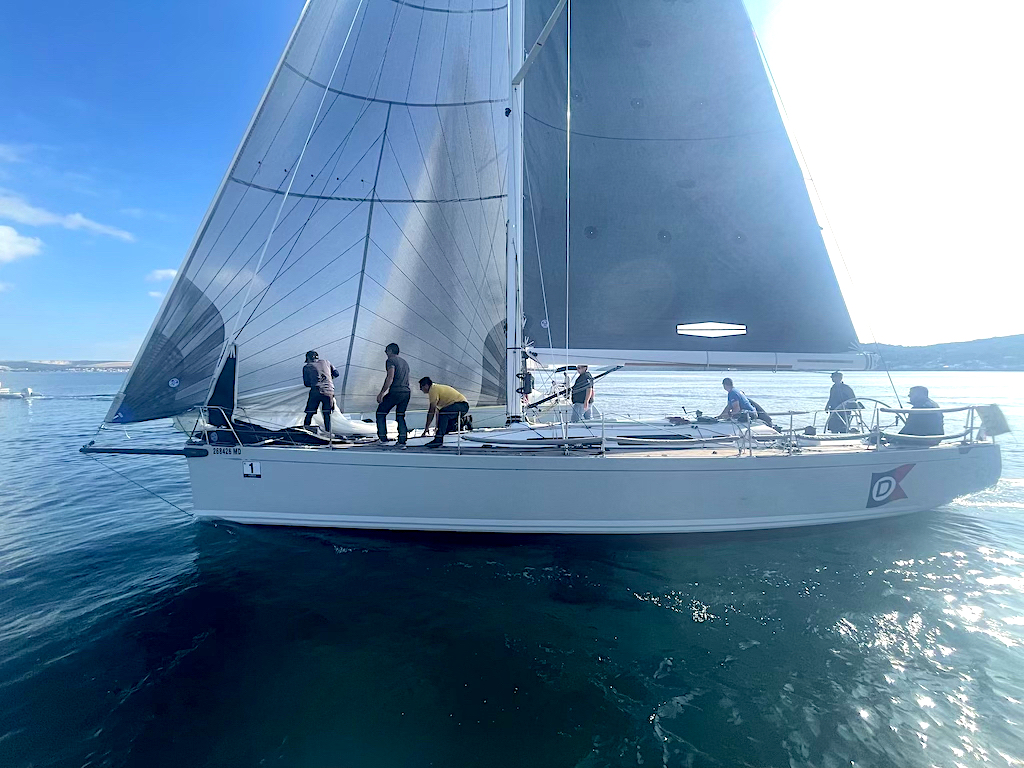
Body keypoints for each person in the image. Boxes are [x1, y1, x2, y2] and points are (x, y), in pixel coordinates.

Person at [374, 343, 411, 447]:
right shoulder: (405, 362)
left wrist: (382, 393)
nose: (385, 352)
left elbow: (390, 377)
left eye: (386, 350)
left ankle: (383, 438)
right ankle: (402, 440)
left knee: (380, 413)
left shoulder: (390, 361)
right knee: (400, 415)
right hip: (406, 392)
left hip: (396, 391)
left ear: (390, 350)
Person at [419, 377, 469, 448]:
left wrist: (426, 429)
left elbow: (431, 411)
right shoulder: (435, 389)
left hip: (460, 404)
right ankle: (465, 420)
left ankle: (438, 441)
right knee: (446, 424)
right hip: (462, 406)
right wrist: (437, 428)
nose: (421, 390)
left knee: (444, 414)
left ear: (426, 385)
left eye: (421, 387)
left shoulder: (433, 390)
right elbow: (437, 412)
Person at [302, 350, 338, 434]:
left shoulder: (307, 367)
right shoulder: (326, 362)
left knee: (310, 412)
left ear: (308, 358)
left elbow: (306, 383)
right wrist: (328, 379)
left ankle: (305, 430)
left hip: (316, 391)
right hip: (329, 391)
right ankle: (328, 433)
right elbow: (336, 374)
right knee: (327, 414)